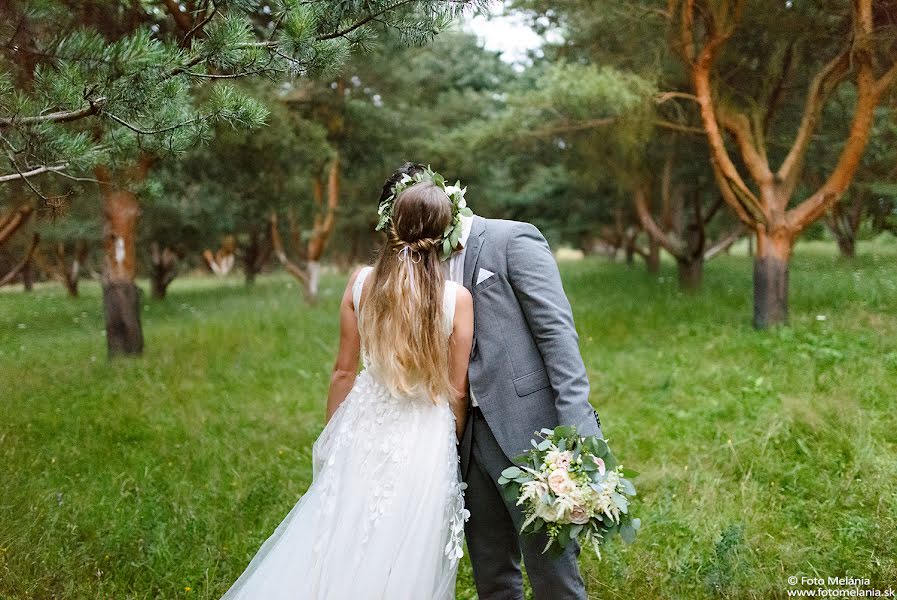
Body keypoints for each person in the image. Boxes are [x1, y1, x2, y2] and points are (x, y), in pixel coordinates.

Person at [221, 176, 474, 599]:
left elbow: (342, 371)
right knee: (405, 548)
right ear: (445, 233)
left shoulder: (361, 283)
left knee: (339, 532)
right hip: (424, 437)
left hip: (364, 425)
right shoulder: (457, 299)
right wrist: (455, 438)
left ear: (392, 223)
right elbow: (457, 391)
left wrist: (332, 435)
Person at [379, 163, 603, 600]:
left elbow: (557, 335)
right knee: (492, 575)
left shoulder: (511, 239)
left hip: (530, 433)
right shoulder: (420, 264)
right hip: (464, 441)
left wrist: (577, 431)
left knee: (553, 573)